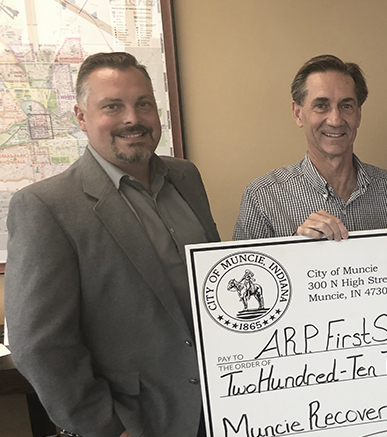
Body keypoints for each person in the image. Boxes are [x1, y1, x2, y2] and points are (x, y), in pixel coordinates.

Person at [4, 52, 220, 437]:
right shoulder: (45, 207)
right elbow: (39, 345)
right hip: (137, 422)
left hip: (221, 408)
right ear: (82, 117)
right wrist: (105, 428)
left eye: (143, 104)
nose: (132, 119)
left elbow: (213, 283)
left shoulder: (186, 177)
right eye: (112, 106)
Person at [234, 54, 387, 241]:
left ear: (358, 114)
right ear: (298, 113)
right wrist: (293, 247)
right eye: (321, 105)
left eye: (346, 106)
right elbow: (245, 270)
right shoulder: (262, 198)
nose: (335, 120)